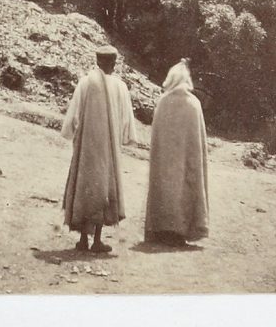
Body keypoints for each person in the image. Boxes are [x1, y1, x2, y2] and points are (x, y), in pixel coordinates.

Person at [61, 44, 137, 253]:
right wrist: (125, 138)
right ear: (113, 63)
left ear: (97, 62)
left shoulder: (85, 83)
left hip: (86, 147)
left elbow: (73, 116)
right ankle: (97, 241)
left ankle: (83, 240)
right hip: (108, 149)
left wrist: (72, 134)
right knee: (104, 187)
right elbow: (126, 119)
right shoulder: (119, 86)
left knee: (85, 187)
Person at [144, 58, 209, 246]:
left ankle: (160, 229)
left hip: (165, 162)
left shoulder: (163, 102)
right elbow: (199, 140)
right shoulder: (193, 104)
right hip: (187, 161)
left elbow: (156, 136)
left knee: (165, 189)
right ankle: (180, 232)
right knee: (184, 190)